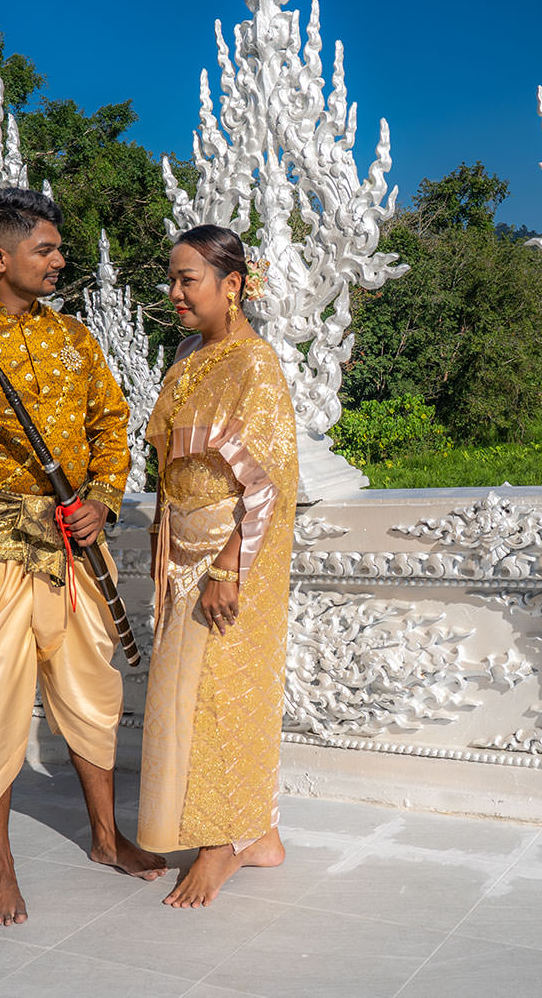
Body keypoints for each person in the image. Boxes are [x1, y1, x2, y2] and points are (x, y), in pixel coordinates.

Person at [0, 186, 166, 927]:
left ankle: (109, 840)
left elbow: (112, 424)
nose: (58, 259)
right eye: (44, 249)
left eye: (57, 248)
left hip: (72, 544)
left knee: (90, 692)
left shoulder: (76, 339)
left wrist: (104, 500)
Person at [138, 224, 299, 908]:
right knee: (181, 697)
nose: (174, 292)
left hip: (236, 554)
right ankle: (257, 836)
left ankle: (219, 847)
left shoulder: (255, 364)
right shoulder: (185, 356)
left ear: (232, 285)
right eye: (171, 280)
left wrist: (231, 565)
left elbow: (268, 480)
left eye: (188, 279)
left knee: (217, 697)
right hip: (182, 551)